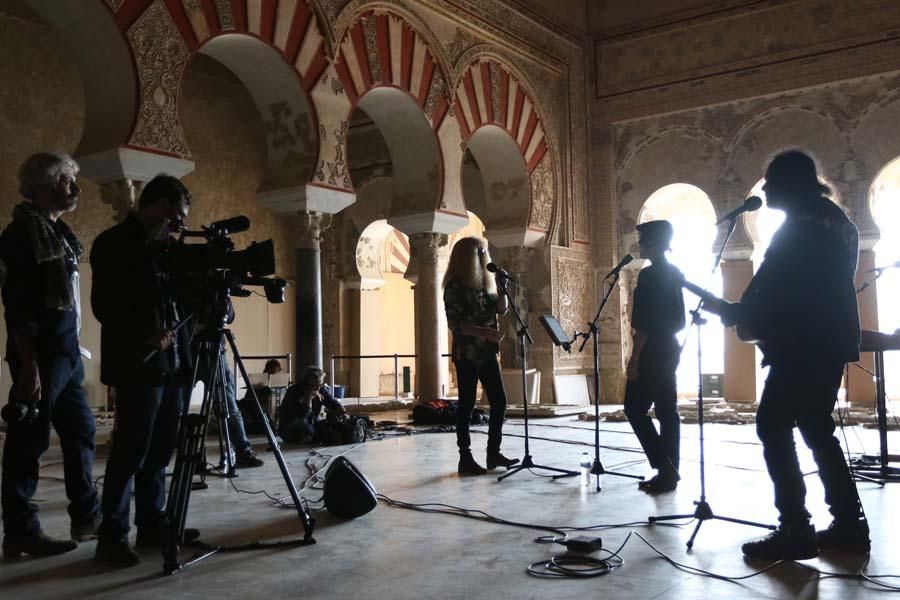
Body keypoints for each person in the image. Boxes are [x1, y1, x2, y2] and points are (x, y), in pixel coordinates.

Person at [709, 151, 868, 560]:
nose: (765, 189)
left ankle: (795, 527)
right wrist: (750, 312)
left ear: (792, 183)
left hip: (802, 345)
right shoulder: (834, 220)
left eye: (771, 182)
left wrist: (744, 313)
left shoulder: (801, 226)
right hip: (825, 342)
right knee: (816, 428)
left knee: (772, 425)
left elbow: (781, 289)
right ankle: (849, 526)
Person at [90, 174, 195, 567]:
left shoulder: (166, 250)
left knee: (160, 451)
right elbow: (106, 306)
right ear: (162, 207)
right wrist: (145, 335)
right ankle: (112, 536)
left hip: (171, 366)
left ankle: (153, 523)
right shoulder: (114, 244)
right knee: (131, 452)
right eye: (178, 216)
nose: (181, 225)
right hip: (139, 364)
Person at [0, 153, 100, 558]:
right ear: (40, 186)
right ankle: (21, 532)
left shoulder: (59, 234)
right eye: (65, 181)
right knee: (29, 442)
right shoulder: (20, 236)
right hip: (39, 356)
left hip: (66, 352)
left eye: (74, 180)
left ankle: (87, 517)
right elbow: (17, 306)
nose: (75, 188)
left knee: (81, 429)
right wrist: (28, 368)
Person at [443, 236, 518, 475]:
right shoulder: (455, 286)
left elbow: (501, 309)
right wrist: (484, 332)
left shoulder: (484, 284)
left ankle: (493, 453)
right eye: (480, 252)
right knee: (466, 405)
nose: (485, 255)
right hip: (467, 354)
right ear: (468, 257)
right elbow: (456, 324)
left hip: (486, 353)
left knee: (500, 401)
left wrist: (502, 286)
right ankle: (465, 457)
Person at [624, 220, 685, 493]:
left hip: (652, 350)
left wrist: (634, 358)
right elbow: (678, 319)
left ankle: (665, 467)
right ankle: (669, 470)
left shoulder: (649, 276)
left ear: (654, 243)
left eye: (644, 240)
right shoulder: (674, 272)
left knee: (634, 408)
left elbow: (644, 324)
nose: (640, 244)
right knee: (667, 412)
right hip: (671, 347)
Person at [278, 366, 348, 444]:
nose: (319, 388)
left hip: (310, 421)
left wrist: (343, 413)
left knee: (323, 425)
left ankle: (310, 437)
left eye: (320, 385)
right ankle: (311, 436)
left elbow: (333, 402)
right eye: (316, 385)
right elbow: (302, 416)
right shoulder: (293, 391)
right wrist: (309, 396)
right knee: (308, 427)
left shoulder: (321, 389)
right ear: (307, 383)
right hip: (289, 426)